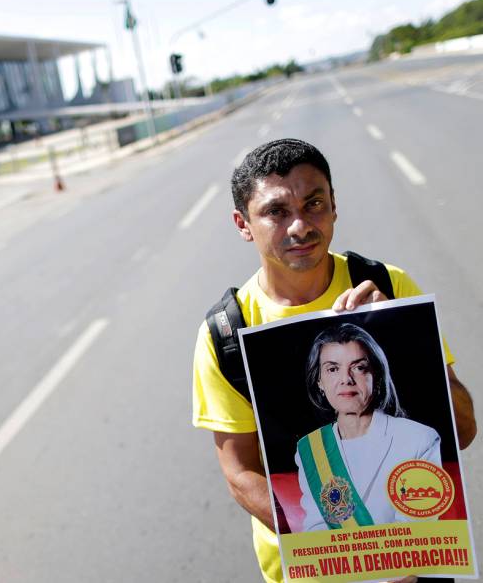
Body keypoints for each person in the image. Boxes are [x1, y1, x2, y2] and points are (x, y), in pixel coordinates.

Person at [191, 138, 477, 582]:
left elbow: (463, 430)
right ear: (243, 224)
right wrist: (346, 555)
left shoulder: (388, 285)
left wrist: (404, 340)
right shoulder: (228, 331)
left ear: (335, 206)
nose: (301, 225)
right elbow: (242, 474)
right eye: (276, 212)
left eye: (315, 203)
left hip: (417, 569)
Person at [295, 323, 441, 531]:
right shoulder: (309, 448)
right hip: (338, 563)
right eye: (333, 369)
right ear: (319, 381)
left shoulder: (420, 439)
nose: (346, 379)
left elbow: (416, 532)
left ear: (377, 376)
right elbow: (316, 529)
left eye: (359, 367)